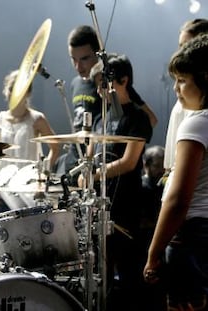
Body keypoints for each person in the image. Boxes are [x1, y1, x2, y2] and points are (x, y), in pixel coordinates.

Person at [83, 53, 153, 311]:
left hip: (126, 208)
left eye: (105, 83)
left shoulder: (137, 118)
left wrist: (95, 174)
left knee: (128, 277)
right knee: (100, 272)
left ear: (123, 80)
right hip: (100, 208)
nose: (101, 91)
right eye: (98, 85)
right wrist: (82, 173)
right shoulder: (101, 120)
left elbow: (128, 163)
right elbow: (88, 160)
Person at [144, 34, 208, 311]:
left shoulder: (196, 125)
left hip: (192, 239)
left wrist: (153, 252)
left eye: (182, 80)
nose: (176, 89)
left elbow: (178, 199)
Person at [54, 25, 157, 177]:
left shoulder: (113, 82)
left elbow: (150, 120)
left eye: (84, 59)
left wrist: (116, 140)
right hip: (79, 160)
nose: (78, 67)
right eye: (73, 60)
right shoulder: (76, 83)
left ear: (97, 54)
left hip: (106, 166)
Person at [0, 70, 60, 214]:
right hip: (3, 187)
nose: (14, 93)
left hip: (28, 185)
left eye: (19, 89)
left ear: (28, 93)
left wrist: (44, 173)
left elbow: (55, 147)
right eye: (11, 89)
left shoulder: (37, 119)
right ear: (5, 91)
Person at [163, 19, 208, 176]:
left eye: (186, 45)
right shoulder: (184, 98)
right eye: (180, 46)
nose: (180, 52)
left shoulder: (198, 116)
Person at [139, 145, 166, 310]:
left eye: (164, 167)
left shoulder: (162, 186)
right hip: (144, 243)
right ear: (146, 165)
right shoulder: (140, 189)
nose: (162, 171)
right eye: (157, 166)